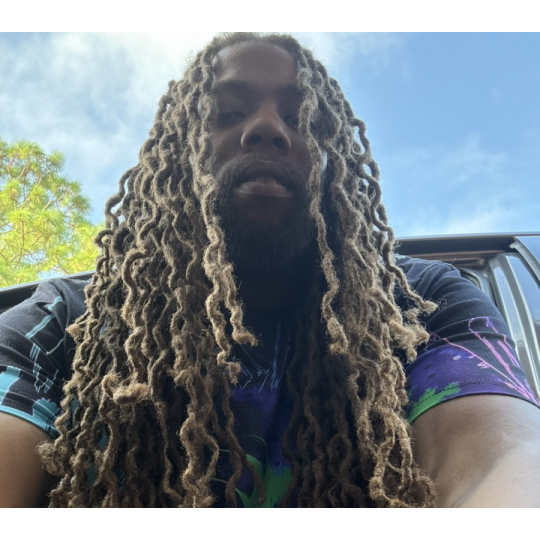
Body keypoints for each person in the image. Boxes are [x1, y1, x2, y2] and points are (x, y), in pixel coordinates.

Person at [1, 32, 540, 508]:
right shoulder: (67, 319)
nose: (266, 127)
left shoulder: (420, 306)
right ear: (178, 154)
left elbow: (502, 457)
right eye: (226, 113)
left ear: (334, 160)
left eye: (302, 118)